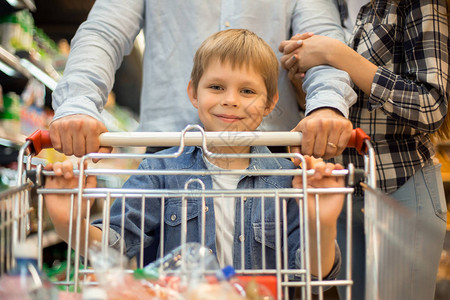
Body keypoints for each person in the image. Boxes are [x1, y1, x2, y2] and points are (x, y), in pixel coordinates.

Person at [44, 29, 347, 281]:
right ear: (193, 93)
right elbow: (116, 245)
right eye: (216, 87)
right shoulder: (160, 170)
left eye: (247, 91)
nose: (230, 100)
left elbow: (312, 275)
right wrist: (68, 224)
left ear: (270, 101)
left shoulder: (287, 180)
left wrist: (322, 223)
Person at [279, 0, 449, 298]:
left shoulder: (414, 4)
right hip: (339, 187)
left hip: (401, 185)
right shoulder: (326, 6)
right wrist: (300, 85)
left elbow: (431, 106)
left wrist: (337, 54)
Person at [49, 0, 356, 160]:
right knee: (166, 278)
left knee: (270, 276)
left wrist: (326, 105)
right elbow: (104, 33)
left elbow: (323, 41)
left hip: (271, 152)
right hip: (169, 154)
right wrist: (79, 104)